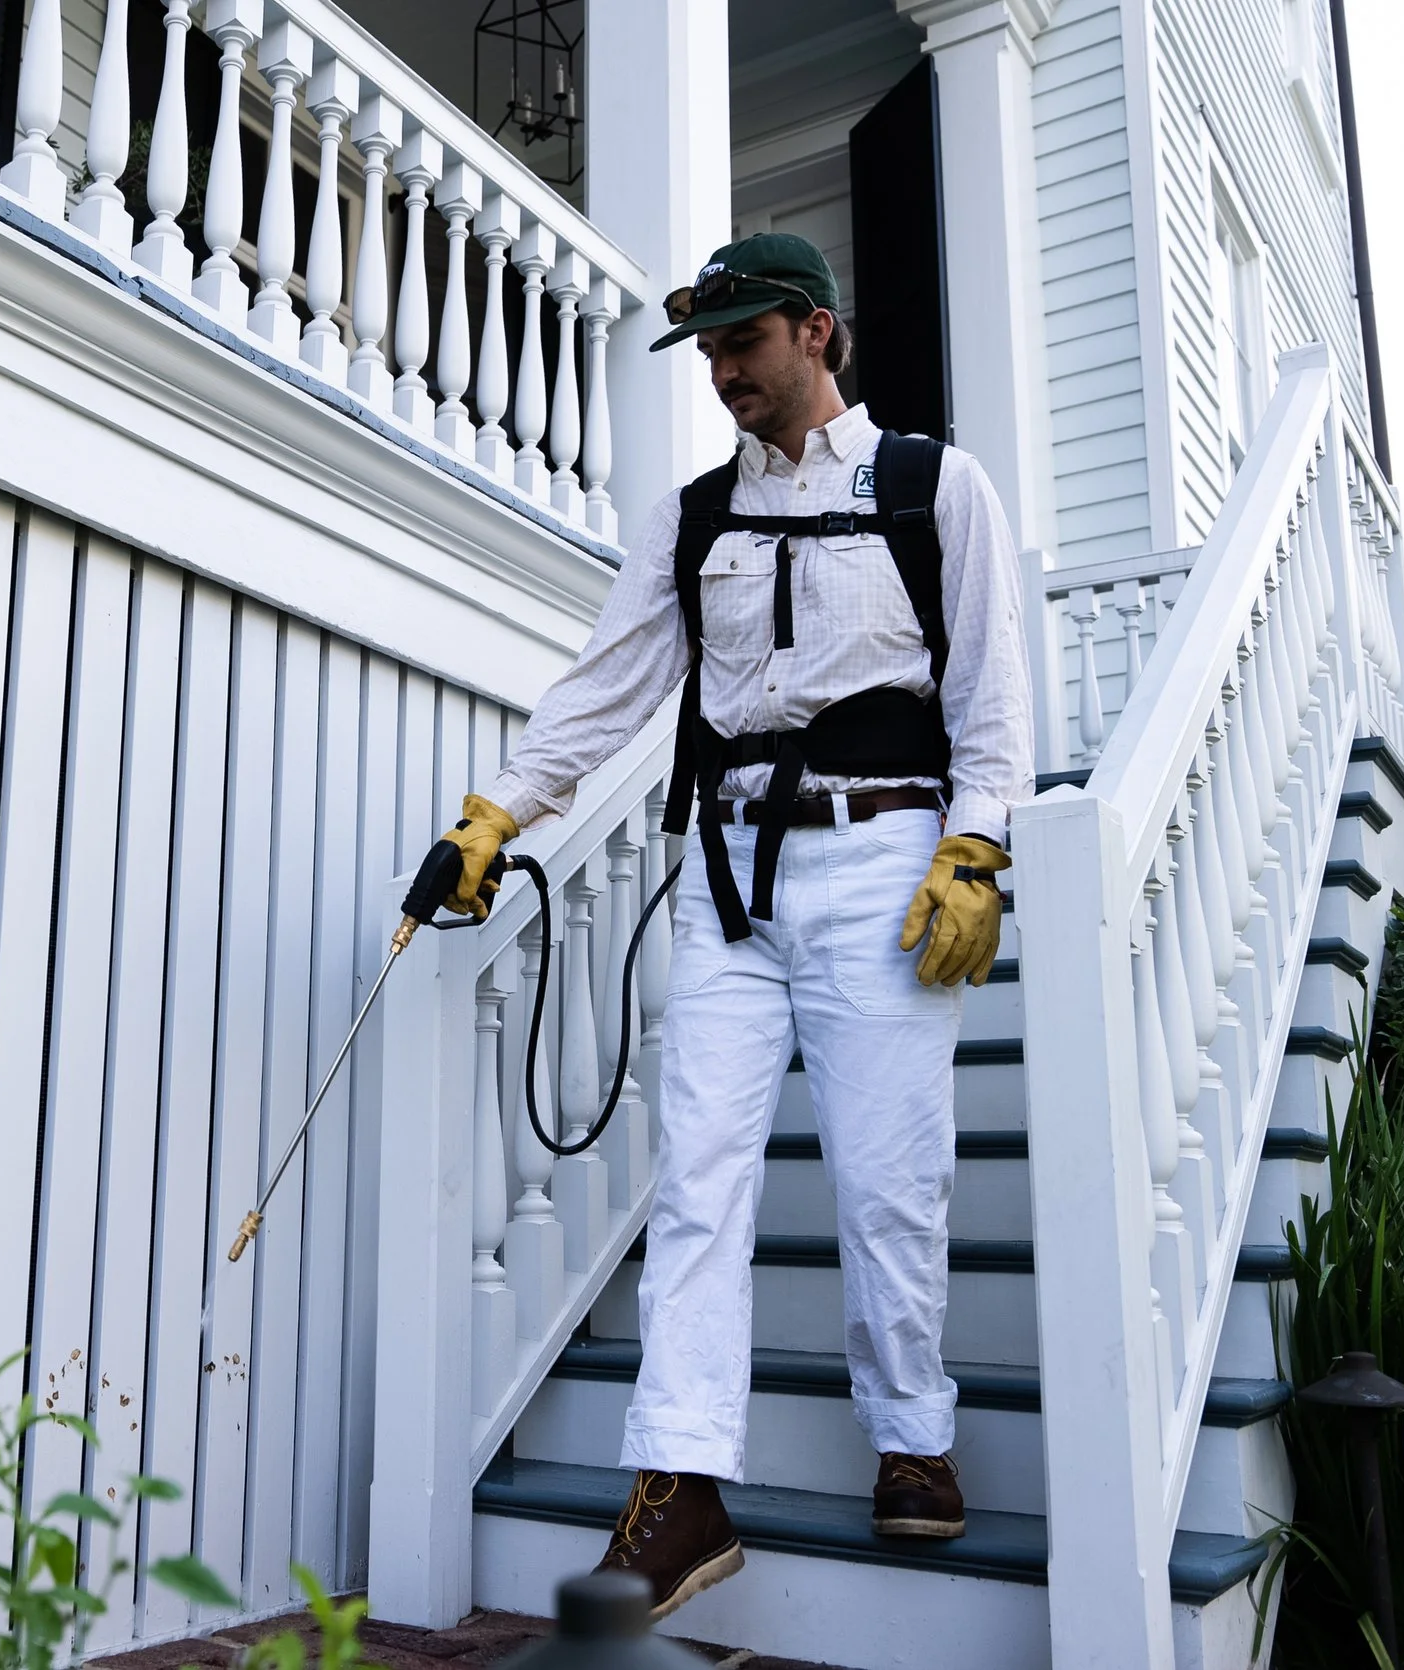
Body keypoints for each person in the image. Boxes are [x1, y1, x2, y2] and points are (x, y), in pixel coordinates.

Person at [438, 234, 1033, 1620]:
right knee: (701, 1179)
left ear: (816, 333)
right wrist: (498, 813)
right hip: (725, 875)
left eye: (745, 346)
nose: (723, 375)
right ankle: (682, 1481)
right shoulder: (691, 516)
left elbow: (994, 695)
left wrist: (977, 843)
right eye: (708, 352)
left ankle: (913, 1436)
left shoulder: (937, 489)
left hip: (886, 861)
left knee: (892, 1176)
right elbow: (608, 686)